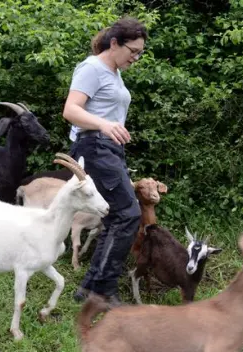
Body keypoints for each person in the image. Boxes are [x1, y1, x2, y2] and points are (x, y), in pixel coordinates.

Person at [62, 17, 148, 306]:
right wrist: (104, 125)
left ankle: (90, 288)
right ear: (114, 43)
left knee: (115, 216)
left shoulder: (113, 72)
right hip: (94, 146)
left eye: (140, 53)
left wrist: (112, 130)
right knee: (127, 215)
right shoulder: (92, 68)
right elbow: (71, 110)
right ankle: (102, 290)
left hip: (107, 149)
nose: (136, 58)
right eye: (133, 51)